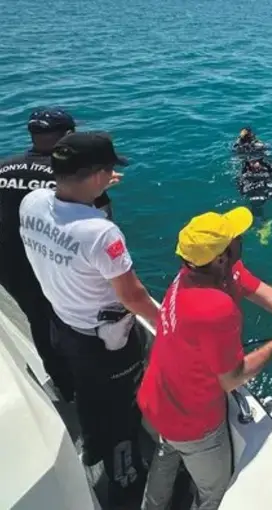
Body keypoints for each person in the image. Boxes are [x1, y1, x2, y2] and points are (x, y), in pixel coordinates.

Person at [138, 206, 272, 510]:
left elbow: (270, 296)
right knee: (214, 491)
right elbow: (233, 378)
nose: (240, 236)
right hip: (192, 421)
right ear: (220, 256)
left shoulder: (195, 271)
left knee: (166, 455)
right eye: (233, 237)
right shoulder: (214, 308)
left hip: (157, 398)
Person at [18, 131, 158, 507]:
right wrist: (169, 325)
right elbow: (132, 295)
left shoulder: (32, 202)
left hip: (62, 326)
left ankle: (92, 448)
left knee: (87, 395)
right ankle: (124, 482)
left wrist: (93, 186)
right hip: (105, 344)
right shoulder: (101, 233)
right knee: (121, 411)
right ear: (96, 173)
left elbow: (65, 217)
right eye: (108, 169)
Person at [0, 108, 118, 402]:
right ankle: (94, 388)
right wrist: (99, 186)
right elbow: (101, 225)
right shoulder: (71, 177)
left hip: (10, 266)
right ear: (68, 136)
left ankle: (65, 388)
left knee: (38, 323)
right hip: (52, 264)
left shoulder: (4, 167)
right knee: (75, 326)